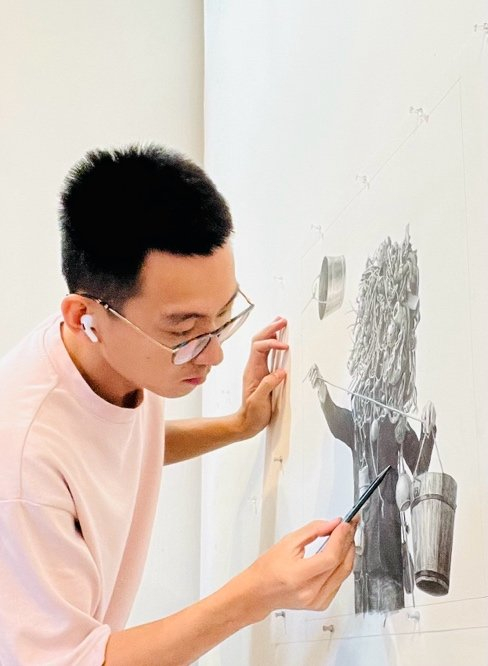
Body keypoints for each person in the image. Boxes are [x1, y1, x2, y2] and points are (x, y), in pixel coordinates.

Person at [0, 144, 357, 665]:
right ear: (83, 316)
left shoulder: (104, 351)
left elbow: (112, 445)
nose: (213, 353)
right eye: (184, 331)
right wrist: (257, 594)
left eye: (223, 317)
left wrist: (238, 425)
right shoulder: (21, 463)